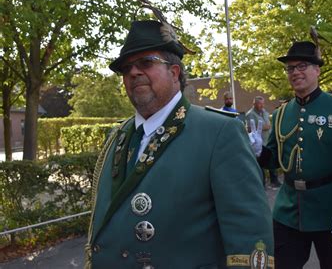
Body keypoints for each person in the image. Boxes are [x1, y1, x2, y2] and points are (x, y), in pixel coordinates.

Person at [85, 14, 274, 268]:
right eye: (126, 68)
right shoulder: (118, 136)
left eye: (146, 62)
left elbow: (248, 233)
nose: (133, 72)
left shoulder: (219, 132)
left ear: (175, 72)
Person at [257, 36, 332, 269]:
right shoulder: (280, 114)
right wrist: (257, 151)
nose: (295, 72)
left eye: (302, 66)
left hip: (331, 208)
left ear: (317, 70)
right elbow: (275, 161)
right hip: (288, 211)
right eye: (290, 68)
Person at [246, 96, 281, 188]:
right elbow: (250, 128)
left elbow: (269, 125)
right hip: (259, 144)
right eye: (259, 103)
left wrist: (267, 126)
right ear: (254, 104)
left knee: (271, 161)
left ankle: (274, 181)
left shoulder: (265, 112)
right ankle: (262, 184)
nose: (262, 105)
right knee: (260, 166)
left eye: (263, 103)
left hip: (267, 141)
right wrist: (266, 127)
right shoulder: (250, 114)